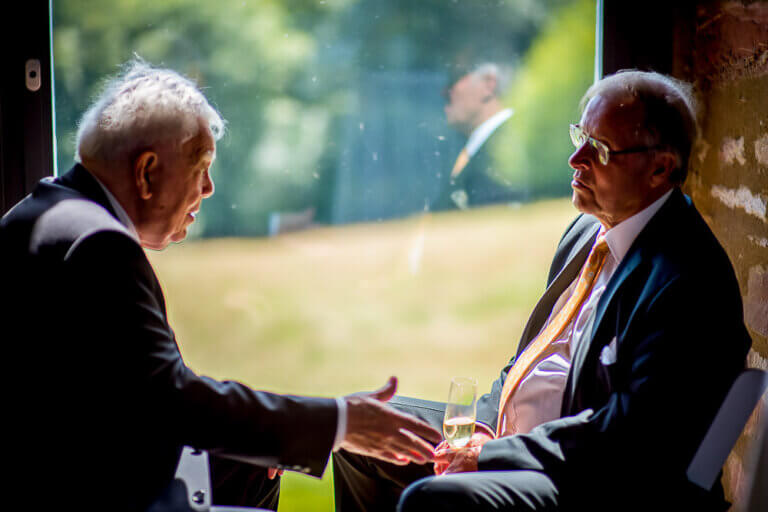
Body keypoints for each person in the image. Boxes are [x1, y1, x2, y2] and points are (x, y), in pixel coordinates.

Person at [0, 59, 441, 512]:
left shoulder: (37, 213)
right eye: (201, 165)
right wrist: (341, 423)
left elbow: (133, 396)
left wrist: (275, 441)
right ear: (147, 171)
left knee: (251, 466)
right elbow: (173, 402)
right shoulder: (101, 246)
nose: (209, 188)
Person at [333, 70, 752, 511]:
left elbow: (626, 436)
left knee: (436, 501)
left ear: (660, 168)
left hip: (593, 482)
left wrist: (491, 455)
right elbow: (533, 357)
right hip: (520, 439)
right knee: (361, 436)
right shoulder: (588, 231)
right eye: (581, 136)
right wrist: (485, 422)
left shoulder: (686, 281)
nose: (576, 158)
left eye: (601, 149)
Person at [433, 62, 518, 210]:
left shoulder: (509, 146)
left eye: (454, 79)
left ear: (488, 84)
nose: (444, 92)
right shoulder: (497, 145)